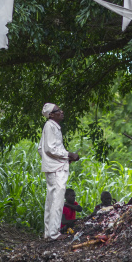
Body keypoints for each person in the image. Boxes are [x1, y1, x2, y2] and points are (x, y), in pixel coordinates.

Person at [38, 103, 80, 240]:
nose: (61, 112)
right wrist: (67, 155)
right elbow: (49, 148)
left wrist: (58, 159)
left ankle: (48, 232)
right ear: (51, 115)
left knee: (51, 199)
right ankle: (54, 233)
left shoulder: (51, 127)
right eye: (58, 110)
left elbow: (41, 149)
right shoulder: (50, 126)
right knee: (57, 200)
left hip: (53, 167)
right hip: (56, 169)